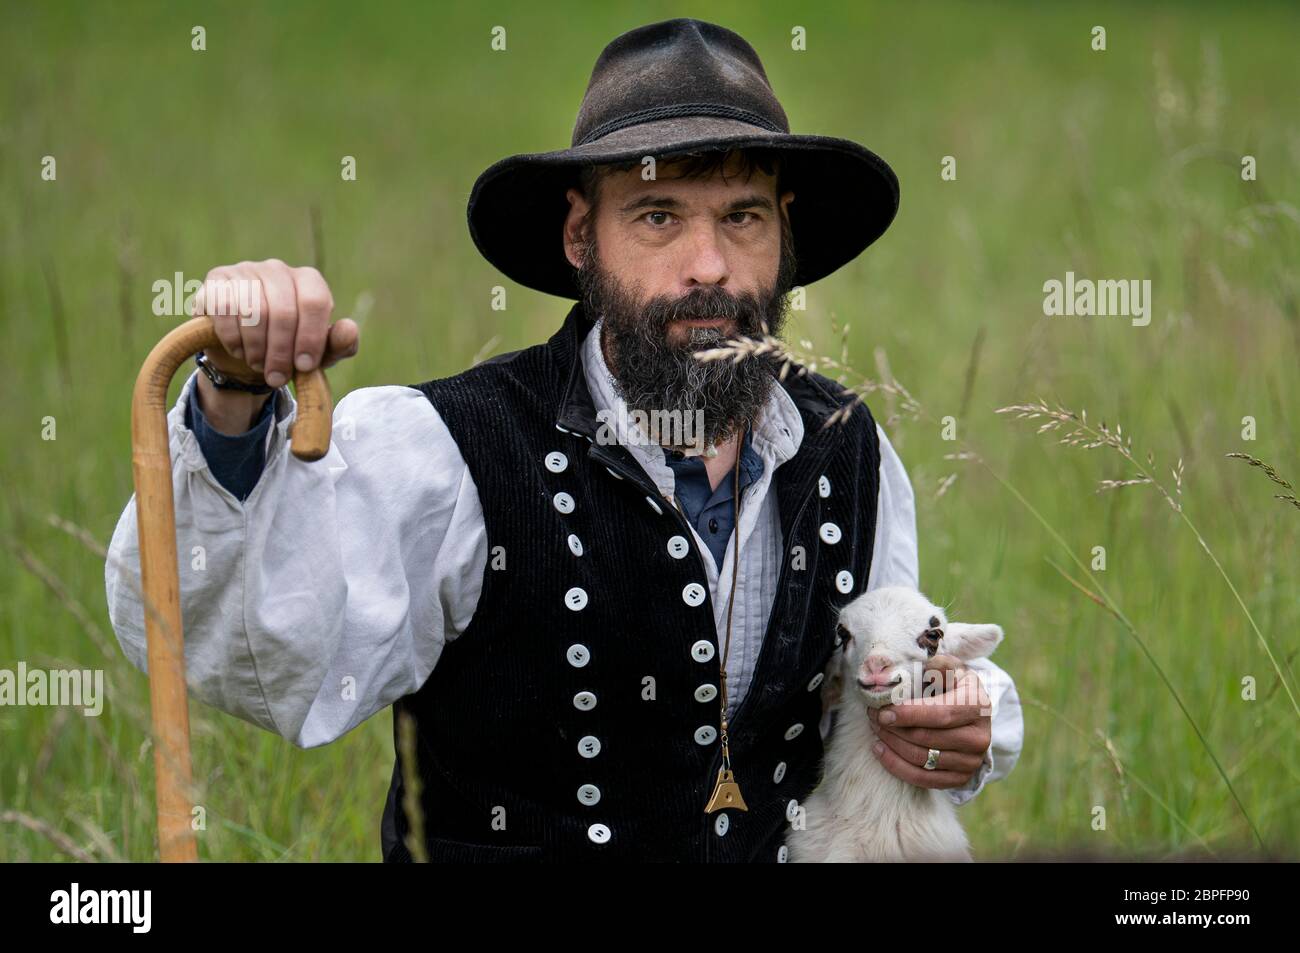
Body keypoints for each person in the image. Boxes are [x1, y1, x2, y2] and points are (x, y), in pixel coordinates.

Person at [106, 17, 1022, 862]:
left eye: (742, 216)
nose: (709, 265)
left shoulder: (846, 451)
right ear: (583, 236)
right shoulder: (456, 450)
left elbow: (884, 688)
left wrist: (956, 724)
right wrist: (231, 403)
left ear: (783, 233)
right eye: (659, 216)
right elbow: (250, 659)